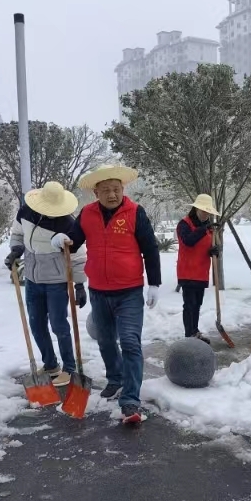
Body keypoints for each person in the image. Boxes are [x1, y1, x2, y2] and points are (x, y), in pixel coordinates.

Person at [51, 164, 161, 424]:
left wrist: (154, 283)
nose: (112, 195)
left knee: (130, 342)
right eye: (106, 190)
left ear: (123, 189)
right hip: (99, 291)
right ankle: (115, 378)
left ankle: (130, 399)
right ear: (96, 193)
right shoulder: (87, 214)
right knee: (106, 341)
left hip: (129, 292)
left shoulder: (135, 212)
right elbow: (73, 241)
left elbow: (151, 249)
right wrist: (61, 239)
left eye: (116, 189)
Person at [5, 182, 88, 387]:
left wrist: (79, 285)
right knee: (36, 324)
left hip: (57, 281)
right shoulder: (25, 212)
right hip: (32, 279)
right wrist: (16, 250)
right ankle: (50, 364)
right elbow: (17, 234)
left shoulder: (68, 223)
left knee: (59, 325)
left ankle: (69, 367)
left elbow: (77, 256)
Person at [176, 194, 221, 344]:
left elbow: (207, 248)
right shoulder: (184, 224)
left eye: (207, 211)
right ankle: (189, 335)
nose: (205, 214)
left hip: (201, 272)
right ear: (195, 208)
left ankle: (195, 332)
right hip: (187, 272)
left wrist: (213, 252)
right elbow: (188, 241)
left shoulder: (209, 229)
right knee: (189, 304)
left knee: (197, 304)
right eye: (202, 210)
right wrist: (204, 229)